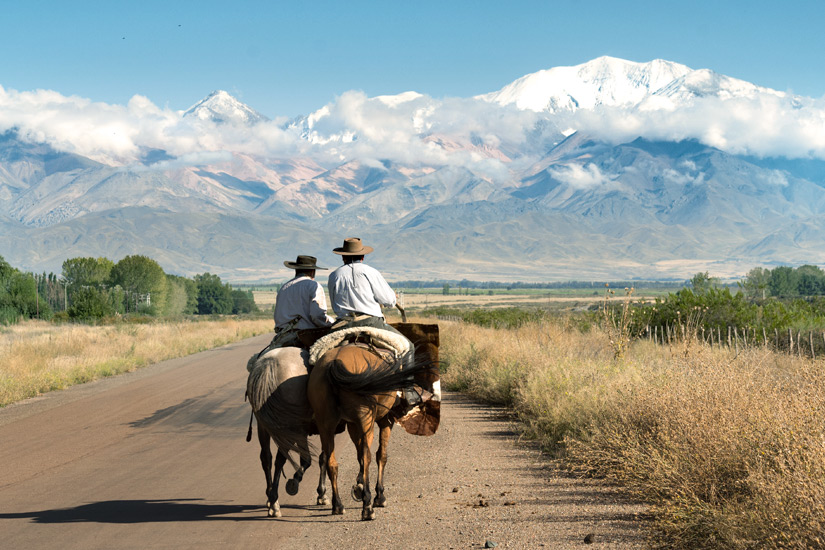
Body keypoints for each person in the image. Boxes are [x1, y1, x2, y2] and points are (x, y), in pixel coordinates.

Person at [327, 237, 398, 331]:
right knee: (405, 341)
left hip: (343, 324)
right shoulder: (371, 272)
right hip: (372, 323)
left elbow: (334, 303)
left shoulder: (334, 275)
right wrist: (393, 297)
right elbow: (389, 301)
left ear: (343, 257)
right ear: (362, 257)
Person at [268, 255, 334, 349]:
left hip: (283, 335)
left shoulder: (284, 287)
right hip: (306, 335)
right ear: (312, 272)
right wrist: (331, 323)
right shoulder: (314, 286)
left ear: (296, 270)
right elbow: (317, 316)